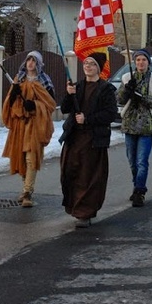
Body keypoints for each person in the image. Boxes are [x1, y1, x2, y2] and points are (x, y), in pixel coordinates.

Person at [59, 52, 118, 228]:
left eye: (92, 64)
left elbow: (110, 114)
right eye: (86, 63)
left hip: (93, 140)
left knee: (88, 176)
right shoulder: (77, 86)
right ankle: (73, 206)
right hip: (74, 138)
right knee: (70, 172)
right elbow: (65, 109)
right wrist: (69, 95)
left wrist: (88, 119)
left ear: (98, 68)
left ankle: (85, 212)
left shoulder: (106, 89)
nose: (88, 66)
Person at [1, 51, 56, 208]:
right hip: (20, 125)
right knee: (20, 158)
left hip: (35, 124)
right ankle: (25, 185)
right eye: (28, 60)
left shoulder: (44, 81)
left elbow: (50, 104)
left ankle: (27, 192)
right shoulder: (19, 79)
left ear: (38, 64)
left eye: (34, 60)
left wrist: (35, 105)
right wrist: (14, 94)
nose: (30, 63)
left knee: (31, 158)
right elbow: (9, 103)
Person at [116, 49, 152, 207]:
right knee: (132, 161)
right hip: (130, 125)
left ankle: (140, 191)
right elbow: (119, 99)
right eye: (137, 60)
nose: (140, 63)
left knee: (141, 161)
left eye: (143, 60)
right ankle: (136, 185)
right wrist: (127, 90)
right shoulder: (127, 78)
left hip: (146, 126)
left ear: (148, 62)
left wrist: (142, 98)